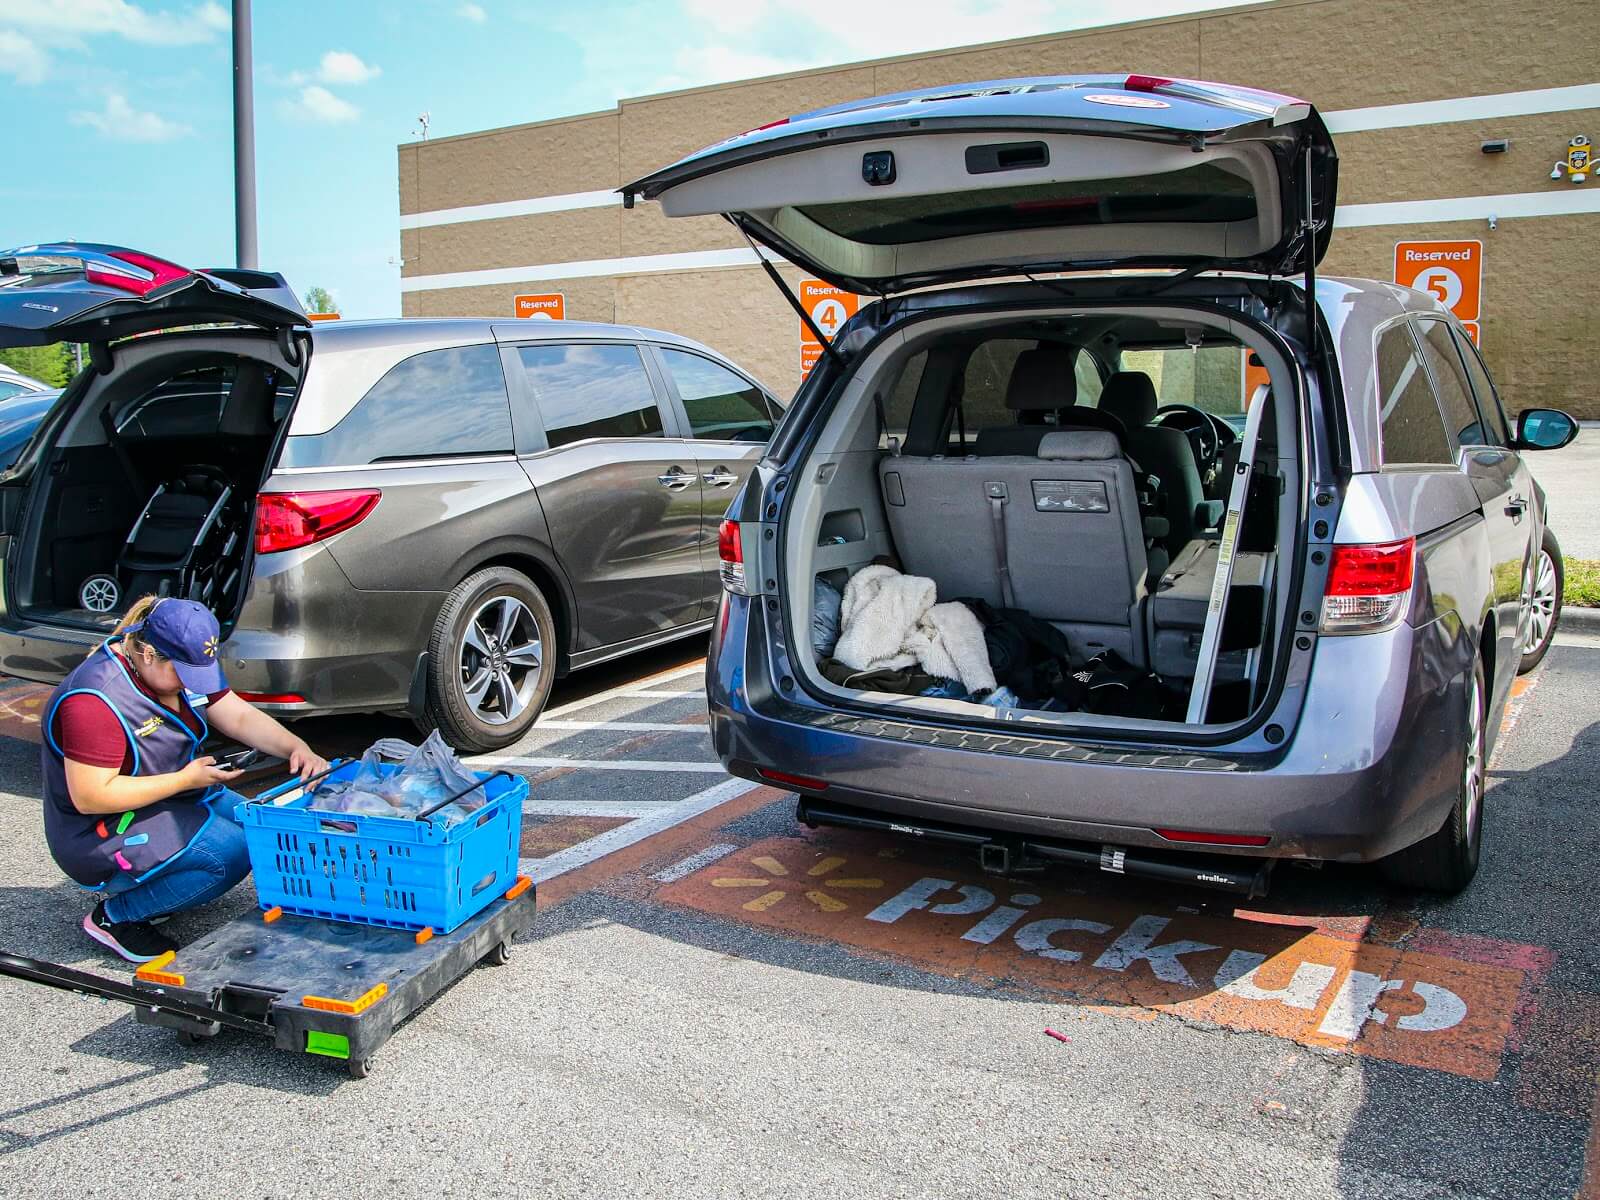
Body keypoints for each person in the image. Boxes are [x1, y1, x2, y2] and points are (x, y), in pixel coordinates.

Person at [41, 595, 329, 962]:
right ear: (147, 654)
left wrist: (295, 747)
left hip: (169, 793)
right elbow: (92, 796)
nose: (192, 683)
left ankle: (162, 884)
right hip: (98, 829)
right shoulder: (94, 701)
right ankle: (116, 917)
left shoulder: (180, 661)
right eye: (184, 673)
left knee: (259, 829)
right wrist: (185, 780)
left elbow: (232, 713)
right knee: (231, 854)